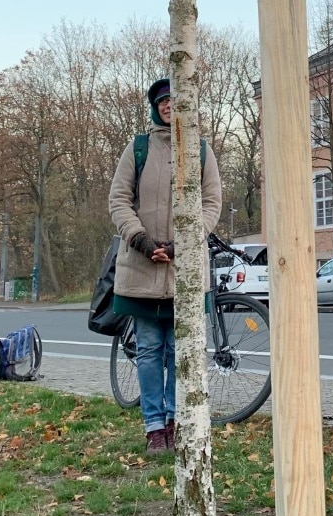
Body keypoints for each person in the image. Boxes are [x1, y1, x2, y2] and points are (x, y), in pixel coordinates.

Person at [108, 77, 222, 454]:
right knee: (149, 349)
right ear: (155, 107)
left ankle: (176, 420)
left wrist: (183, 244)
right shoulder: (138, 148)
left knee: (178, 350)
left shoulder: (202, 150)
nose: (169, 106)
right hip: (141, 267)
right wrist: (141, 240)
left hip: (183, 270)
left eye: (176, 100)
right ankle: (154, 426)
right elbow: (119, 200)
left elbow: (211, 204)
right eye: (163, 101)